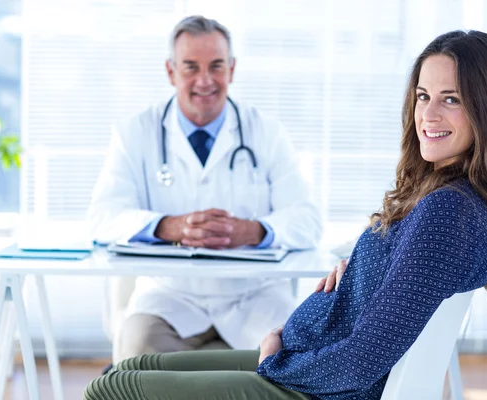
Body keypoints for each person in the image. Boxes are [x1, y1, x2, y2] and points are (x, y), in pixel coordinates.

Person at [84, 29, 487, 400]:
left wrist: (275, 363)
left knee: (114, 386)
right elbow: (399, 293)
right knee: (134, 364)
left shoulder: (449, 213)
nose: (428, 113)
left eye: (451, 99)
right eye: (423, 95)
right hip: (312, 362)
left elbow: (363, 359)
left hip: (321, 387)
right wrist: (364, 268)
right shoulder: (450, 200)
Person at [87, 15, 322, 363]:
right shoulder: (135, 132)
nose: (205, 80)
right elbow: (103, 218)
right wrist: (170, 227)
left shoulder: (267, 132)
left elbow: (307, 221)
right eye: (190, 67)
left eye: (216, 66)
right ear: (171, 72)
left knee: (298, 354)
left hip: (254, 295)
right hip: (171, 296)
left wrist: (251, 230)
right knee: (136, 348)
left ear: (232, 69)